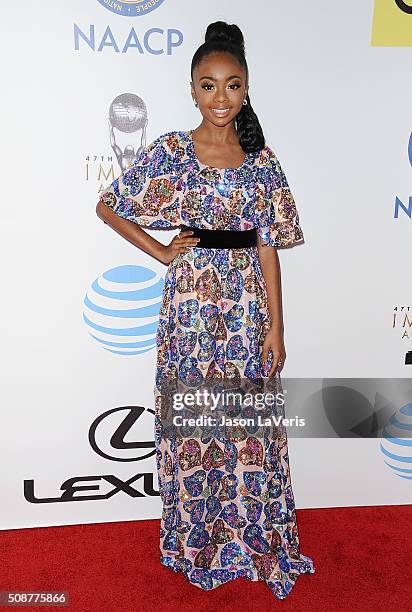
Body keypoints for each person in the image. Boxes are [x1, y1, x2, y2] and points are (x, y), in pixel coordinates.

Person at [96, 20, 315, 601]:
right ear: (192, 89)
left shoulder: (262, 161)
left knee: (249, 423)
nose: (221, 97)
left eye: (233, 85)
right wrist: (163, 250)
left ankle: (256, 539)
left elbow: (268, 246)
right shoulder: (170, 151)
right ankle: (198, 540)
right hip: (191, 305)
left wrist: (277, 325)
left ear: (247, 90)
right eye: (209, 85)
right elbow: (109, 206)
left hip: (245, 306)